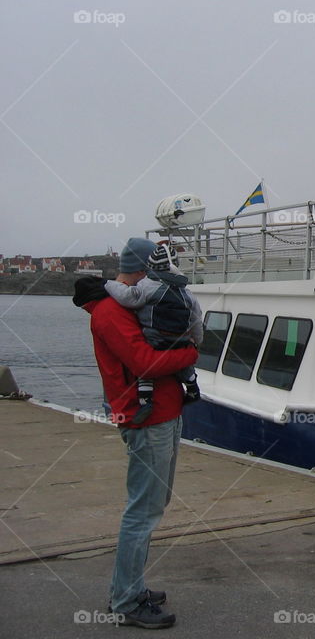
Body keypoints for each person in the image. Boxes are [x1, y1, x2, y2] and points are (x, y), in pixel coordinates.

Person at [73, 237, 198, 630]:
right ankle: (126, 601)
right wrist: (193, 353)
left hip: (161, 414)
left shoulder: (131, 305)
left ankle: (128, 587)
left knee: (150, 506)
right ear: (145, 270)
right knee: (142, 512)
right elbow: (145, 360)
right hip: (146, 420)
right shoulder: (111, 313)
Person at [104, 243, 203, 423]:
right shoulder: (187, 293)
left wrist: (108, 284)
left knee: (147, 367)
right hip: (181, 340)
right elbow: (196, 320)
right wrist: (196, 342)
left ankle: (146, 400)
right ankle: (193, 387)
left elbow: (129, 298)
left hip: (156, 338)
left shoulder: (148, 287)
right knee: (183, 360)